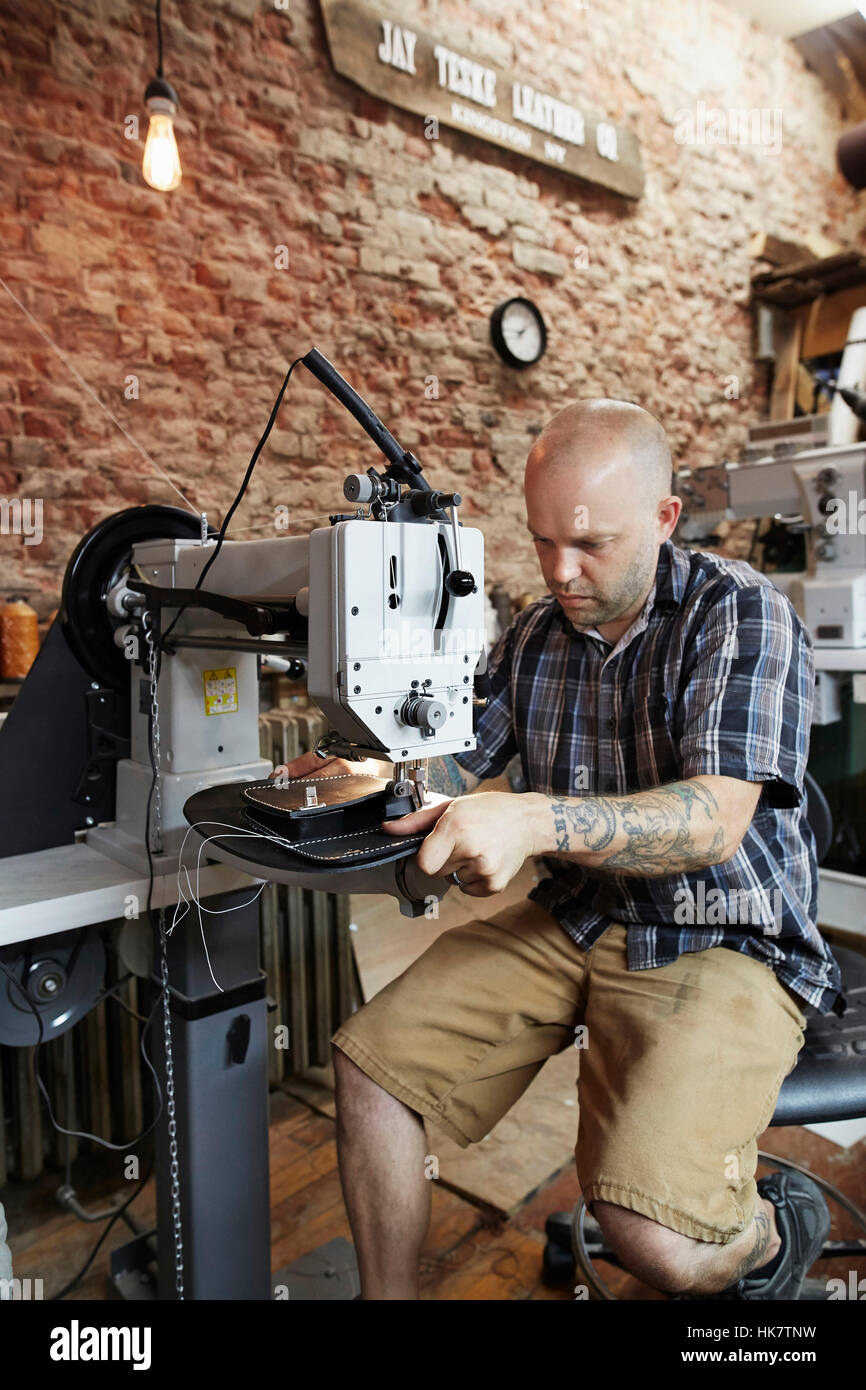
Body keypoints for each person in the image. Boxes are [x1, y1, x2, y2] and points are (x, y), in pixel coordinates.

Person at [276, 399, 843, 1301]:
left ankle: (773, 1233)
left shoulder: (739, 614)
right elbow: (458, 754)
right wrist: (360, 764)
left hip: (726, 939)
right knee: (372, 1067)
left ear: (664, 520)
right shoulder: (539, 634)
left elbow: (715, 818)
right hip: (579, 920)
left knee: (653, 1239)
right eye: (541, 542)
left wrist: (532, 821)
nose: (560, 571)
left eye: (589, 545)